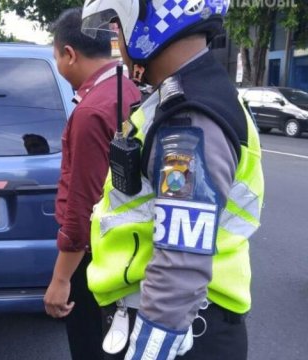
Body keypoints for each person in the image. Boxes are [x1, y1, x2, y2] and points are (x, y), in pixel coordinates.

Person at [80, 1, 264, 359]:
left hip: (177, 334)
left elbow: (181, 264)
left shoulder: (190, 119)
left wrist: (147, 352)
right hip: (177, 324)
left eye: (118, 24)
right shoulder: (185, 97)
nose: (116, 37)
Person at [43, 8, 141, 360]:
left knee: (90, 347)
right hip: (126, 250)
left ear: (69, 54)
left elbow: (81, 205)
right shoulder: (129, 91)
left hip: (93, 259)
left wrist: (60, 279)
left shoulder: (90, 111)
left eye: (55, 56)